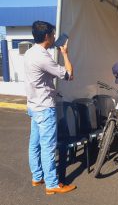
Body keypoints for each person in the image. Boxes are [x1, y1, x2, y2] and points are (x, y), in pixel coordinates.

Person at [24, 21, 76, 195]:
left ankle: (37, 177)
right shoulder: (43, 57)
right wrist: (65, 54)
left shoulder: (30, 52)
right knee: (47, 146)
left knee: (35, 144)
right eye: (53, 34)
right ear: (47, 36)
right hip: (44, 107)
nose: (55, 37)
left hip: (33, 106)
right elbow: (69, 75)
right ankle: (52, 184)